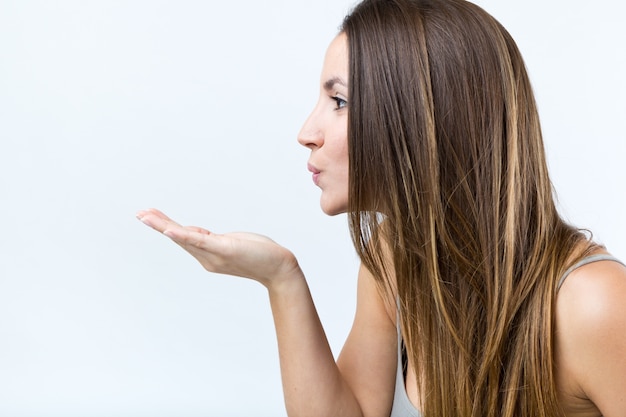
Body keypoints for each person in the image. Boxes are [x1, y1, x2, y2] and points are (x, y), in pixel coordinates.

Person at [137, 0, 626, 415]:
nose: (307, 131)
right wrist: (281, 279)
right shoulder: (394, 259)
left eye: (340, 101)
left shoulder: (593, 303)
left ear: (423, 116)